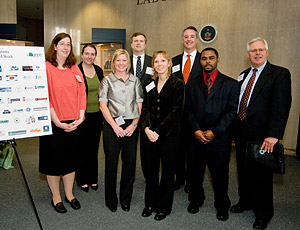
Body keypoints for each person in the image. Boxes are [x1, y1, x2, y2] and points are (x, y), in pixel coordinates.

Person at [230, 37, 291, 229]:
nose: (257, 53)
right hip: (241, 132)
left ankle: (264, 213)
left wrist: (274, 134)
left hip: (263, 135)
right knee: (243, 169)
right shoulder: (243, 74)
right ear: (248, 54)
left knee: (262, 175)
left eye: (260, 50)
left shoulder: (279, 74)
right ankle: (246, 201)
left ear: (267, 52)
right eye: (253, 50)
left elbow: (281, 106)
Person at [185, 47, 239, 221]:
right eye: (204, 58)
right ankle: (195, 199)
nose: (207, 61)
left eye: (211, 58)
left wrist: (214, 132)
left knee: (220, 175)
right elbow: (188, 109)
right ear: (200, 61)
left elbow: (232, 112)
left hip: (219, 139)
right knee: (195, 172)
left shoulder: (230, 84)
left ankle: (222, 205)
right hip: (196, 137)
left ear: (217, 59)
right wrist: (196, 129)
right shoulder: (192, 83)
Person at [39, 32, 86, 213]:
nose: (66, 47)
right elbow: (45, 96)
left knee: (70, 161)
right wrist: (57, 121)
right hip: (54, 122)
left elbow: (82, 93)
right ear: (55, 46)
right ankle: (56, 196)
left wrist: (80, 118)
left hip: (74, 123)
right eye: (62, 44)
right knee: (54, 162)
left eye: (69, 44)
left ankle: (69, 194)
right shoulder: (47, 67)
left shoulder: (74, 67)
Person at [140, 51, 185, 221]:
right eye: (156, 61)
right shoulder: (149, 84)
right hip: (149, 134)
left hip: (169, 136)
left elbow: (176, 112)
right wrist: (146, 129)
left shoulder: (177, 84)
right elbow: (144, 108)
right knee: (150, 171)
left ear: (169, 64)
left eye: (162, 60)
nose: (159, 64)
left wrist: (157, 131)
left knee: (167, 172)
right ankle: (149, 203)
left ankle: (164, 207)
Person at [99, 49, 143, 213]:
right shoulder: (106, 80)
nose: (121, 63)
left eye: (124, 60)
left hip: (131, 124)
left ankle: (126, 199)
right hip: (112, 125)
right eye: (118, 60)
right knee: (111, 163)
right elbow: (103, 105)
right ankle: (111, 199)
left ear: (128, 63)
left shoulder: (135, 81)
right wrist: (115, 126)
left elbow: (139, 103)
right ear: (113, 62)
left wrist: (134, 124)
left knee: (130, 163)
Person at [172, 26, 202, 192]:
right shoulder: (174, 60)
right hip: (177, 113)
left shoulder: (203, 60)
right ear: (182, 40)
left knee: (194, 150)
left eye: (192, 37)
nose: (189, 39)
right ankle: (179, 178)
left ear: (197, 40)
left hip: (196, 113)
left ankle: (191, 180)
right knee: (178, 148)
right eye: (185, 37)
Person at [76, 44, 104, 192]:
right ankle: (81, 179)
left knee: (93, 149)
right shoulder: (76, 70)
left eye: (92, 54)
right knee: (82, 149)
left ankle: (93, 178)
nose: (89, 57)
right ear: (82, 55)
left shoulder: (98, 70)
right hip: (81, 116)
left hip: (97, 116)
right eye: (87, 53)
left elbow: (103, 92)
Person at [129, 32, 153, 178]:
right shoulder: (124, 61)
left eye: (141, 41)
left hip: (148, 109)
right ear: (131, 44)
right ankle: (129, 174)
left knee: (146, 145)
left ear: (145, 44)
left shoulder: (153, 61)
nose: (138, 43)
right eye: (135, 41)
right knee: (129, 145)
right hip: (129, 108)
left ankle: (148, 173)